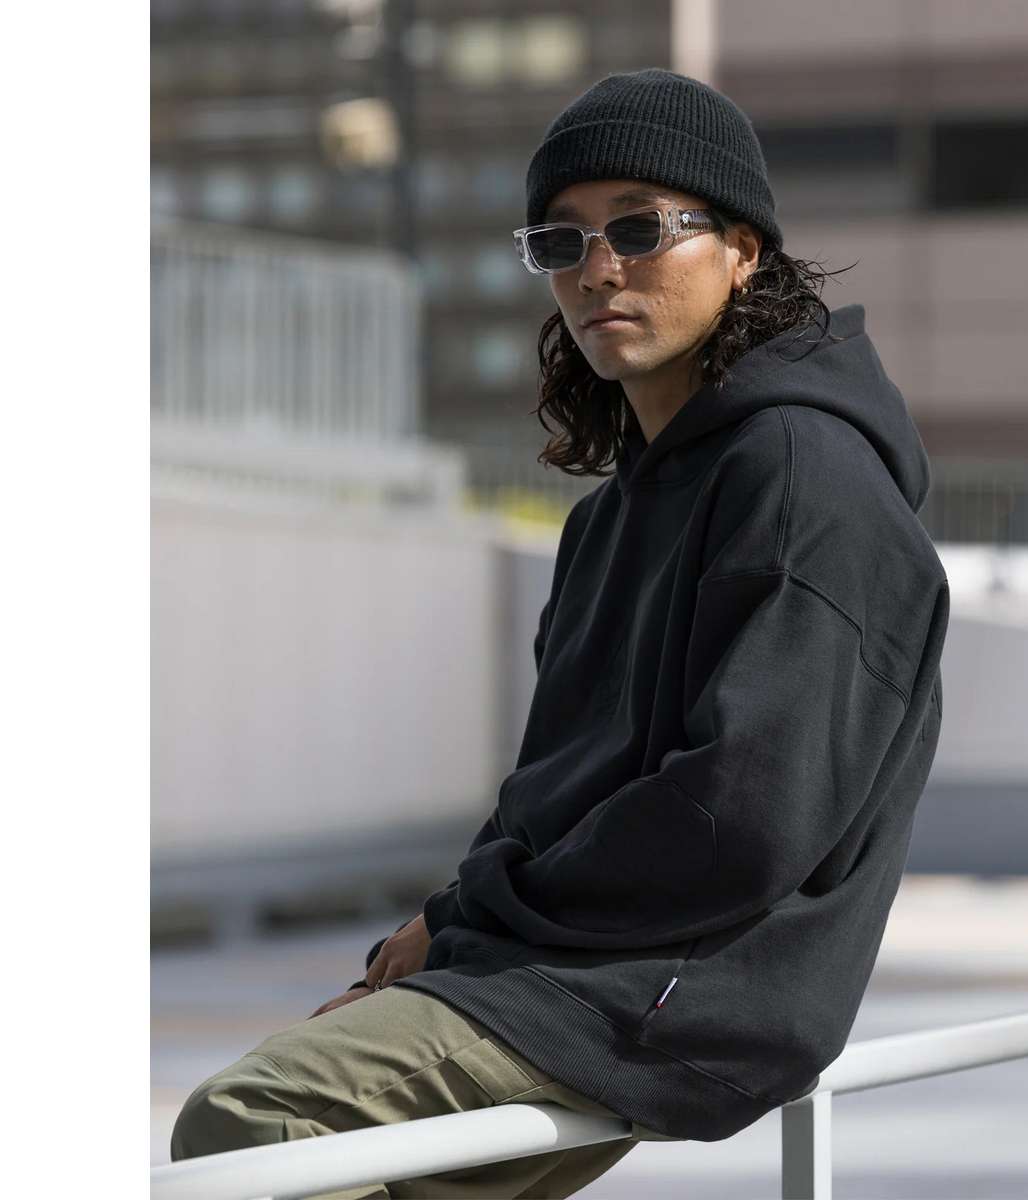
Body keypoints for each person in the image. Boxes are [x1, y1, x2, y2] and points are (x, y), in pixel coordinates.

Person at [170, 66, 949, 1200]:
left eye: (639, 227)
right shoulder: (611, 518)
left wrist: (474, 922)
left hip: (683, 986)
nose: (598, 268)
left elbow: (745, 816)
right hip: (580, 966)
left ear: (742, 250)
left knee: (259, 1124)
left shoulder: (802, 479)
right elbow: (555, 791)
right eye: (561, 240)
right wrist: (451, 926)